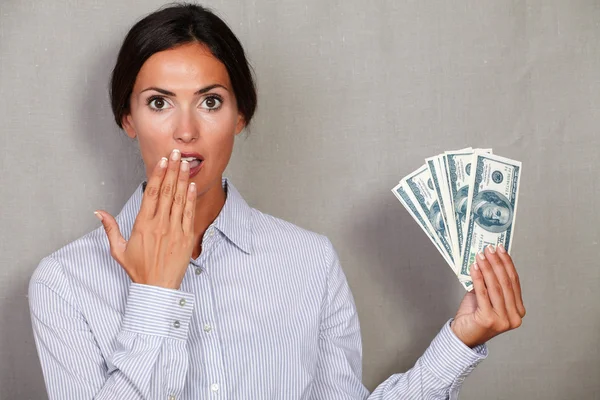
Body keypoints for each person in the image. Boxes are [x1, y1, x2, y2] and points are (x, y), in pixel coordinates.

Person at [28, 3, 526, 399]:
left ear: (241, 115)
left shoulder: (308, 261)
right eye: (159, 102)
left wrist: (460, 343)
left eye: (210, 101)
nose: (185, 130)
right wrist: (156, 295)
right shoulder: (64, 283)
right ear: (127, 120)